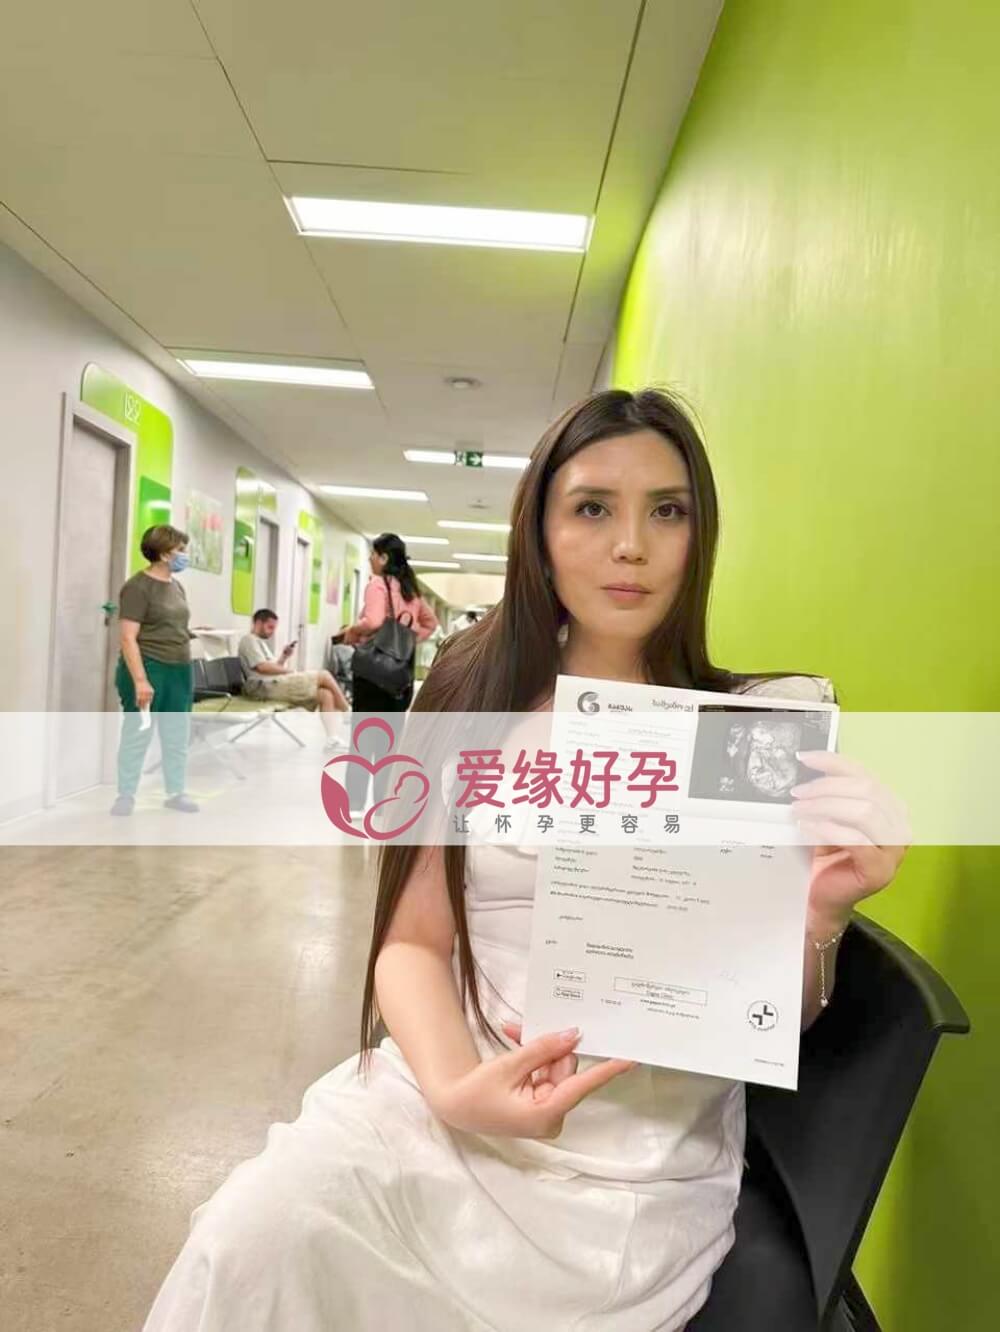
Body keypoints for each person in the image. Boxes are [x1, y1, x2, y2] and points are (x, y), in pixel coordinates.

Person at [142, 389, 907, 1331]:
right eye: (593, 507)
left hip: (637, 1160)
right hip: (443, 1095)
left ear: (700, 534)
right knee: (253, 1239)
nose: (631, 545)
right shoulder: (472, 694)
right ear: (539, 532)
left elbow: (761, 1013)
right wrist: (458, 1090)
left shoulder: (746, 735)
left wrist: (821, 914)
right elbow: (414, 942)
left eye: (667, 510)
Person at [340, 533, 439, 808]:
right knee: (390, 740)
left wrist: (352, 630)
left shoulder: (377, 584)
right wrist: (406, 640)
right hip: (399, 675)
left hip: (372, 672)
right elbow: (431, 623)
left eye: (373, 554)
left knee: (362, 737)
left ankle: (355, 802)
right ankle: (384, 802)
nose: (370, 559)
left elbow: (372, 621)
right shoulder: (410, 589)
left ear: (383, 558)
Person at [112, 525, 198, 816]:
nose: (185, 555)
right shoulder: (137, 587)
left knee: (177, 735)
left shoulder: (176, 585)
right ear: (163, 554)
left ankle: (176, 792)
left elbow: (169, 622)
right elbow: (128, 638)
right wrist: (140, 680)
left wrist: (186, 632)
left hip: (179, 669)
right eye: (180, 550)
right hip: (149, 667)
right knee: (138, 733)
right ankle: (125, 795)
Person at [238, 609, 349, 749]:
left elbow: (271, 669)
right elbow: (262, 667)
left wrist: (284, 656)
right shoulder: (249, 640)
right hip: (261, 688)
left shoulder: (260, 643)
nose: (272, 632)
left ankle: (332, 739)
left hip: (272, 684)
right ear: (258, 623)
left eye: (274, 628)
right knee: (324, 675)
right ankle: (347, 712)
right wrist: (291, 672)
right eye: (270, 627)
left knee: (325, 694)